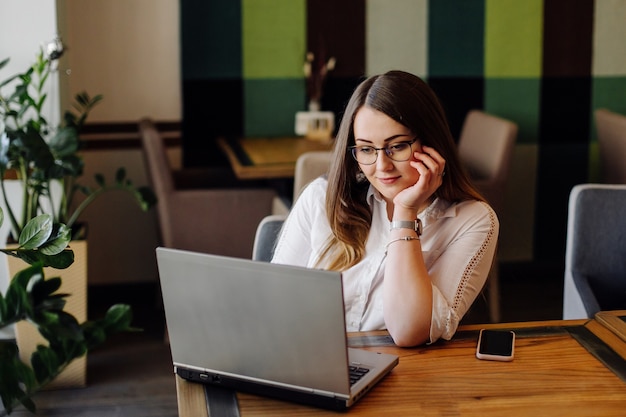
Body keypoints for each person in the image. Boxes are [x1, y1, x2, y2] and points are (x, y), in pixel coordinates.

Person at [272, 70, 499, 347]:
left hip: (403, 373)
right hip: (311, 359)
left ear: (431, 142)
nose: (382, 167)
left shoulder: (471, 220)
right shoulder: (321, 198)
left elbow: (409, 331)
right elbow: (276, 302)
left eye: (397, 146)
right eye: (367, 150)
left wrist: (405, 212)